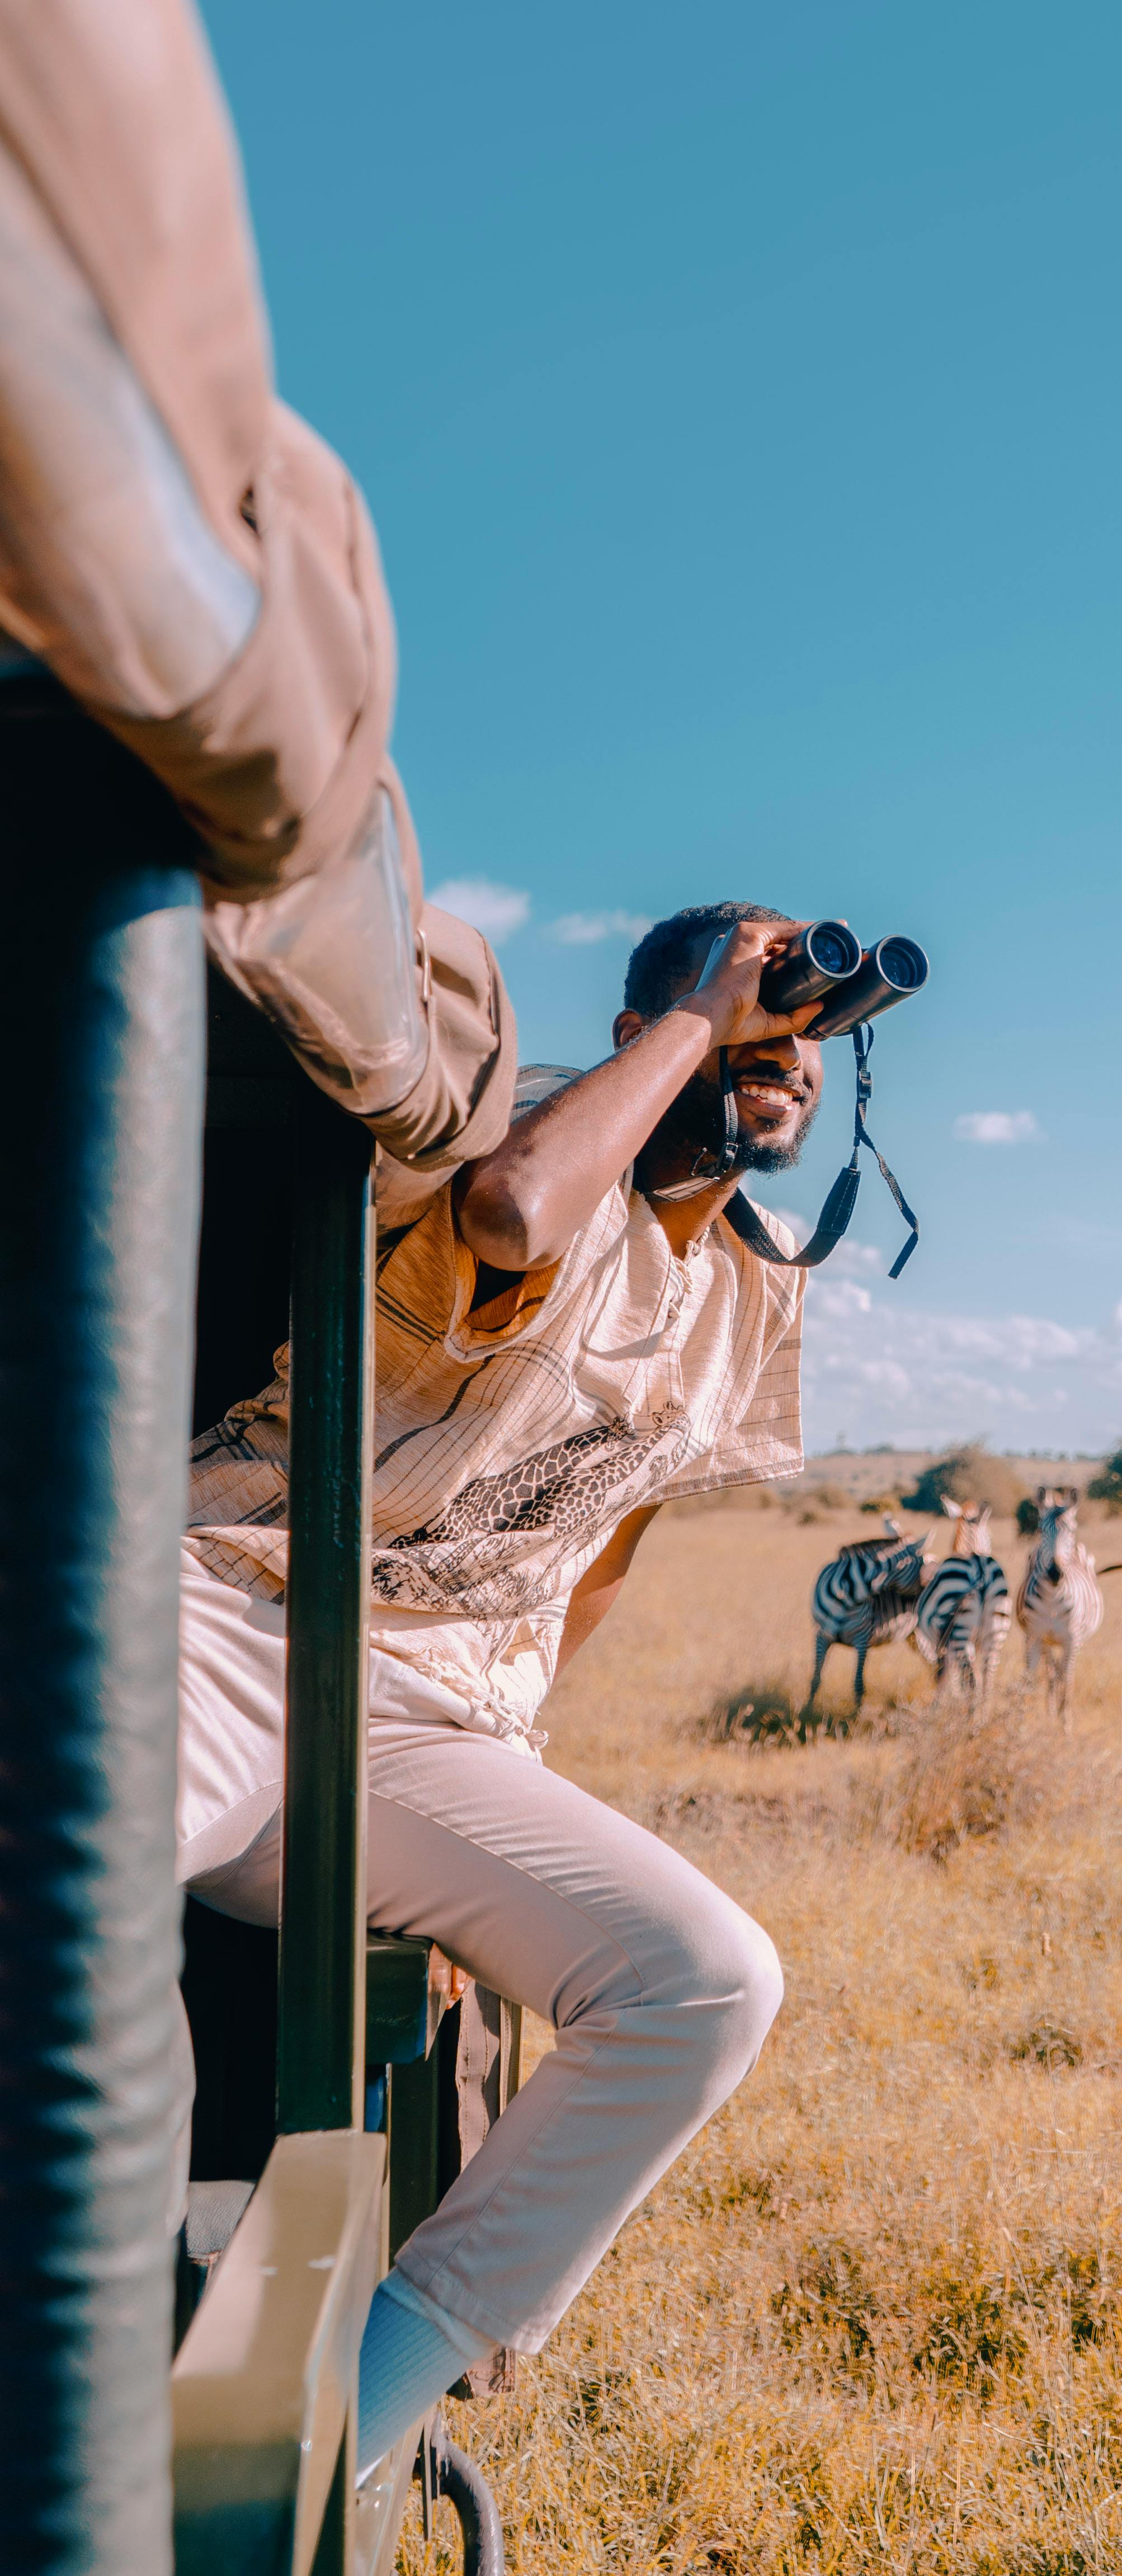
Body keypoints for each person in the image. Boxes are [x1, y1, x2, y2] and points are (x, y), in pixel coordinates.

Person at [177, 902, 828, 2464]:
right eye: (762, 1016)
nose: (789, 1055)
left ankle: (339, 2437)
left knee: (709, 1983)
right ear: (642, 1032)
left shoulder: (758, 1286)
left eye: (811, 1039)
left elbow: (603, 1555)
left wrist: (505, 1818)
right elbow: (517, 1220)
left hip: (438, 1720)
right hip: (227, 1615)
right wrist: (696, 1016)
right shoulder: (547, 1140)